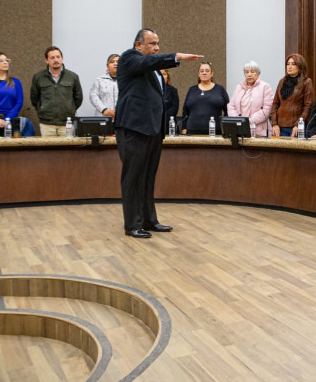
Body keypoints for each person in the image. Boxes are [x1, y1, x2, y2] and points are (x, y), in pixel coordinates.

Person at [115, 28, 201, 238]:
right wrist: (176, 57)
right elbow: (148, 62)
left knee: (148, 176)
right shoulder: (129, 58)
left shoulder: (153, 70)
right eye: (152, 44)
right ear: (138, 45)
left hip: (153, 129)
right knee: (133, 177)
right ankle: (132, 224)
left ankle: (148, 220)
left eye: (158, 43)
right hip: (134, 127)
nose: (157, 47)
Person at [30, 46, 83, 136]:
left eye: (58, 57)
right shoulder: (38, 77)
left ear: (62, 58)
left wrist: (70, 110)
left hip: (67, 123)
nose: (56, 60)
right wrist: (41, 110)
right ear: (47, 60)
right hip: (47, 124)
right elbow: (34, 98)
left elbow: (78, 98)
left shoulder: (72, 76)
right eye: (52, 58)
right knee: (48, 150)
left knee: (67, 150)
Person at [270, 53, 314, 138]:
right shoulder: (282, 81)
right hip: (279, 127)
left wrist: (298, 125)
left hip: (296, 127)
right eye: (288, 64)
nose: (289, 66)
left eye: (293, 64)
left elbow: (308, 106)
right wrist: (274, 124)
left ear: (300, 66)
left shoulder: (306, 82)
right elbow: (275, 103)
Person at [227, 60, 273, 137]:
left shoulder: (265, 87)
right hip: (240, 130)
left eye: (252, 72)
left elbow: (267, 109)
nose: (249, 74)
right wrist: (238, 120)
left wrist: (249, 121)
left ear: (258, 74)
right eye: (247, 72)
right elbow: (231, 106)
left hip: (260, 132)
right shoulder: (239, 87)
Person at [181, 61, 229, 135]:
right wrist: (184, 128)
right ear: (198, 74)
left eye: (207, 71)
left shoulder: (220, 89)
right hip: (192, 131)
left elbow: (228, 109)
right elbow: (185, 110)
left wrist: (226, 127)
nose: (204, 73)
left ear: (211, 74)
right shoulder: (192, 89)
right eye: (202, 71)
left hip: (215, 132)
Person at [89, 54, 119, 118]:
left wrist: (118, 110)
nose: (115, 64)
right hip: (102, 116)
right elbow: (93, 96)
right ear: (107, 66)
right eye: (112, 62)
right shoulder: (100, 80)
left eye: (118, 62)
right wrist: (104, 110)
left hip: (121, 117)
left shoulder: (126, 81)